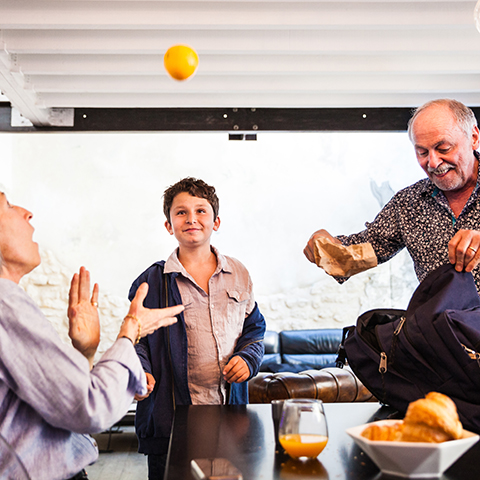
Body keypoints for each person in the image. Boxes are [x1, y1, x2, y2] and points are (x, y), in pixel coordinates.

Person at [0, 191, 184, 480]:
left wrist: (85, 352)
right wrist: (130, 331)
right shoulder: (4, 304)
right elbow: (90, 406)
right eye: (7, 205)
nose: (26, 212)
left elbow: (55, 402)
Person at [129, 177, 266, 480]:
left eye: (201, 211)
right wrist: (142, 371)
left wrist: (248, 359)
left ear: (216, 222)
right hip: (173, 421)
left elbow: (254, 329)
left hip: (229, 415)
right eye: (181, 212)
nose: (192, 219)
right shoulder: (150, 283)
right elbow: (135, 340)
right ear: (169, 225)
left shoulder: (239, 273)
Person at [303, 98, 480, 291]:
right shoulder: (409, 203)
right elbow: (356, 254)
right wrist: (326, 245)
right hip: (440, 320)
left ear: (473, 138)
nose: (433, 162)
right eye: (422, 152)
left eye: (443, 149)